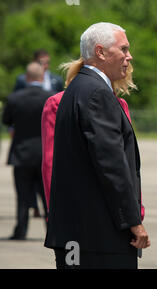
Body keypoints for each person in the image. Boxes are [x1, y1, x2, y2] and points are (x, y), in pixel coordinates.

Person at [44, 22, 150, 269]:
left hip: (78, 235)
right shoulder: (97, 94)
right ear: (101, 52)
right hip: (99, 237)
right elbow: (111, 164)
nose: (129, 56)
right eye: (123, 49)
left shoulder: (76, 89)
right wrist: (133, 222)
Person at [41, 59, 145, 221]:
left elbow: (125, 161)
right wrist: (54, 209)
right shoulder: (58, 102)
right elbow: (51, 160)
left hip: (119, 209)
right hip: (77, 208)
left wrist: (136, 207)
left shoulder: (121, 104)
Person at [2, 62, 54, 240]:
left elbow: (6, 120)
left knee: (23, 196)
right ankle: (53, 230)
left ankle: (21, 230)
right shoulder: (50, 97)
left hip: (21, 153)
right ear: (42, 77)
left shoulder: (15, 98)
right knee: (48, 195)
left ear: (26, 78)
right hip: (45, 154)